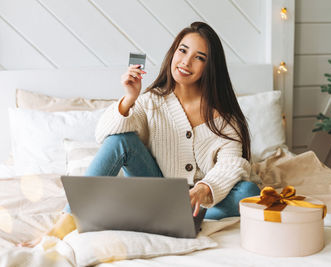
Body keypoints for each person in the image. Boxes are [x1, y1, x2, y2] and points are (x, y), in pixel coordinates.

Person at [19, 21, 260, 247]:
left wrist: (204, 188)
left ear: (210, 67)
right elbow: (105, 135)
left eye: (199, 58)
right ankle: (68, 220)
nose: (186, 62)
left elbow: (232, 163)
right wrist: (129, 99)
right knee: (121, 140)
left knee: (249, 192)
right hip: (156, 196)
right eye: (183, 51)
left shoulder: (226, 119)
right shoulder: (151, 102)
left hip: (200, 207)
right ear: (173, 52)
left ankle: (156, 220)